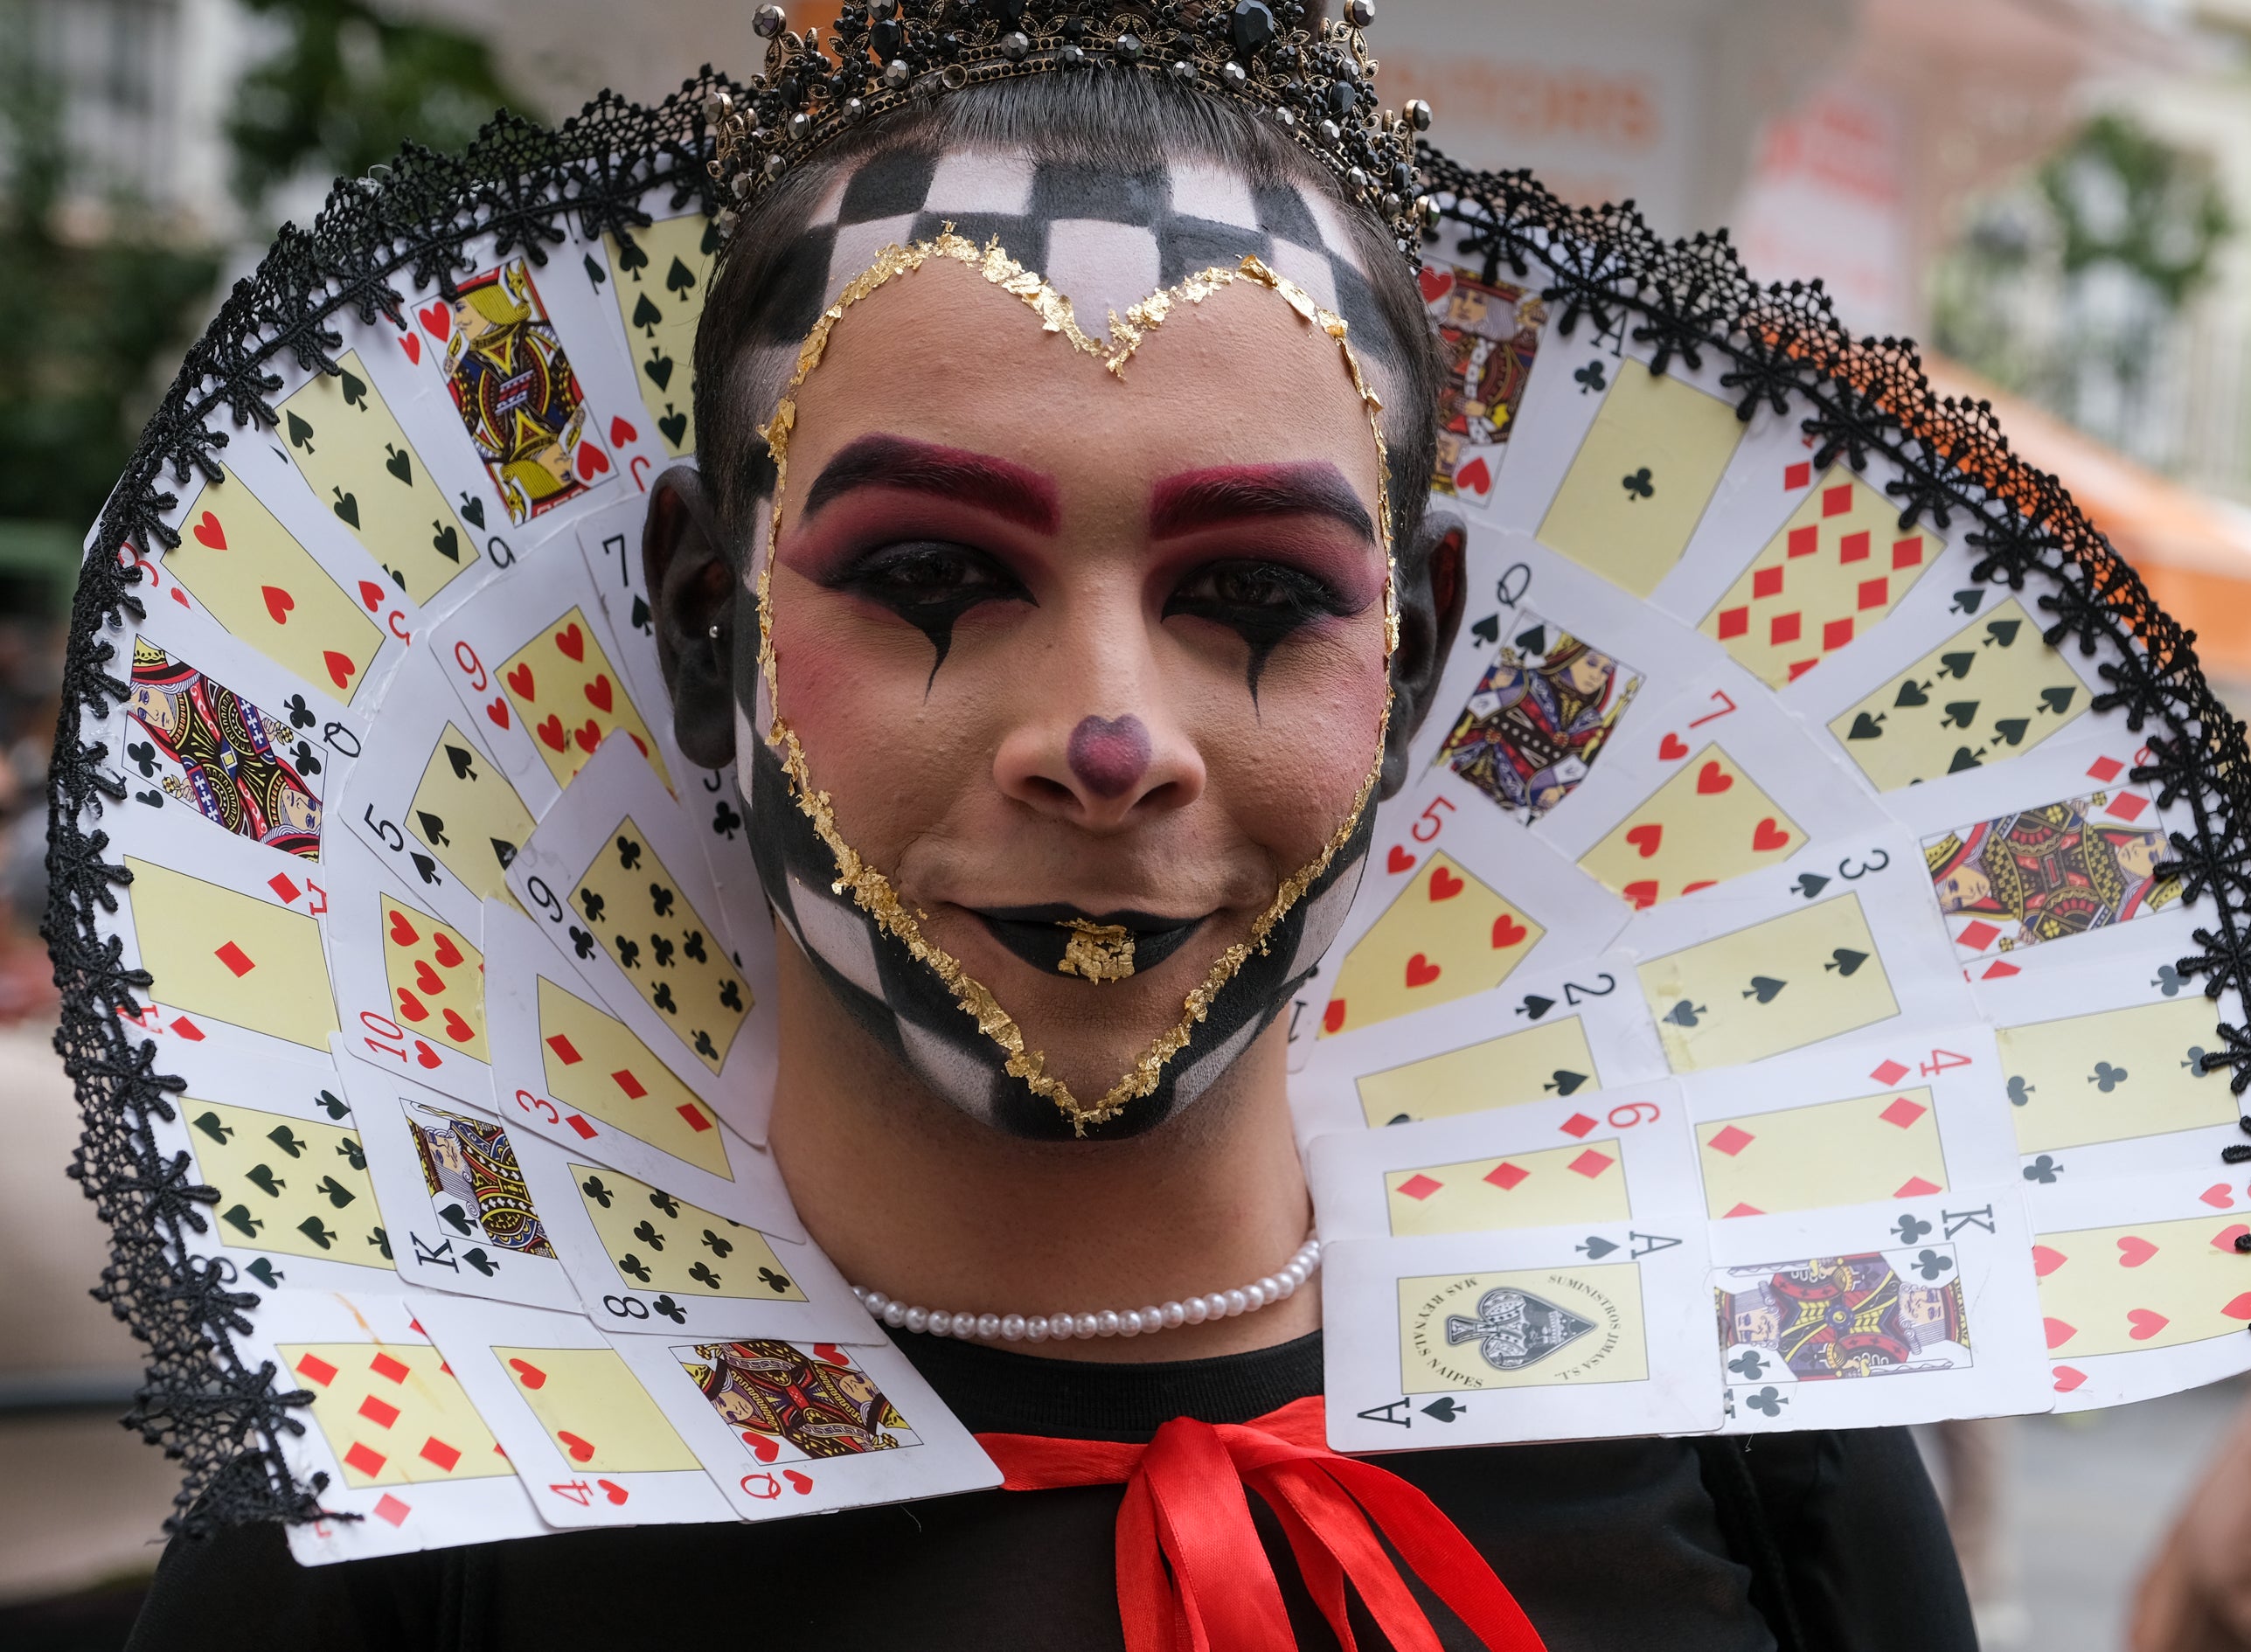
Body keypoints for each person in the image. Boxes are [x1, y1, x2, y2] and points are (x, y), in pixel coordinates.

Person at [120, 7, 1979, 1649]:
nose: (1106, 740)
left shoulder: (1734, 1456)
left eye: (1253, 596)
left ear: (1413, 662)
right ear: (708, 629)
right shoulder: (422, 1505)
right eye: (936, 574)